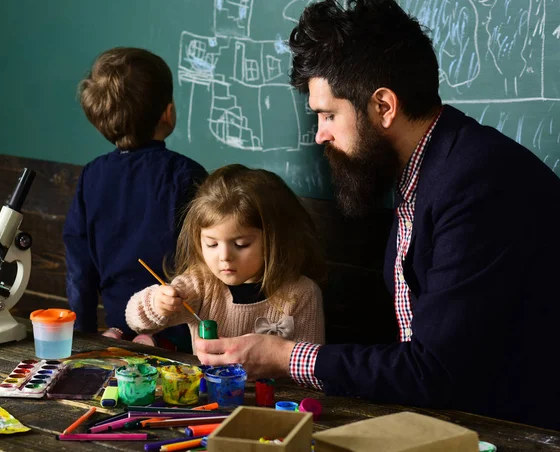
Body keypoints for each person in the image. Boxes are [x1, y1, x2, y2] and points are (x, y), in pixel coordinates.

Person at [195, 0, 560, 430]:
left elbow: (436, 369)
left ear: (383, 106)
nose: (319, 135)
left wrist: (281, 356)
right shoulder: (429, 170)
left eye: (329, 114)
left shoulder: (478, 182)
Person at [63, 47, 207, 350]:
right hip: (179, 333)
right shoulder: (185, 173)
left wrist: (83, 335)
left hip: (118, 325)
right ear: (168, 113)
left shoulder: (92, 175)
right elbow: (205, 261)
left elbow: (79, 270)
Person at [125, 164, 326, 352]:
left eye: (241, 245)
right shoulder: (200, 285)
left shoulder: (302, 294)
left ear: (274, 239)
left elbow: (310, 367)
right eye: (211, 244)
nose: (224, 257)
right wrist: (156, 303)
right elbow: (135, 319)